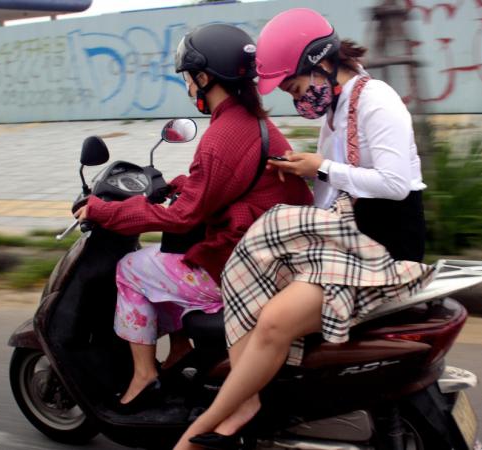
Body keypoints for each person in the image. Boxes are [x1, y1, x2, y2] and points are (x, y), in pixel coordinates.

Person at [176, 8, 434, 450]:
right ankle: (252, 397)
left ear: (321, 64)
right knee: (249, 262)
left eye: (296, 87)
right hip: (353, 230)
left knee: (275, 320)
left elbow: (393, 185)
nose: (298, 100)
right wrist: (306, 181)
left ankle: (205, 429)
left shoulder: (377, 101)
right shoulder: (340, 108)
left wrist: (323, 167)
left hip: (385, 242)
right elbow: (337, 186)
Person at [75, 23, 313, 413]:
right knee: (170, 256)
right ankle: (181, 350)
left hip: (244, 270)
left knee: (132, 268)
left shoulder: (222, 136)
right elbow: (233, 185)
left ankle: (143, 375)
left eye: (189, 79)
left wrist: (105, 211)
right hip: (272, 257)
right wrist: (184, 183)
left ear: (205, 78)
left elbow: (183, 218)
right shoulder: (253, 122)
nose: (188, 88)